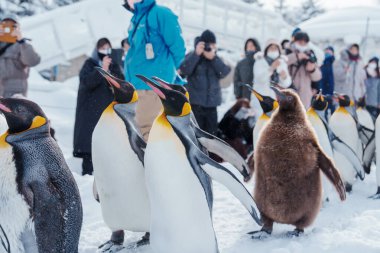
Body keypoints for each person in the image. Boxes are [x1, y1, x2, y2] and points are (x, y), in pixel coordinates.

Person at [123, 0, 186, 141]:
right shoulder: (136, 18)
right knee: (139, 134)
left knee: (149, 134)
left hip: (152, 87)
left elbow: (178, 48)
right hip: (137, 86)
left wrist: (164, 74)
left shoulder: (160, 13)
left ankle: (155, 163)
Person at [73, 38, 124, 176]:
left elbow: (120, 83)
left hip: (106, 113)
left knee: (106, 149)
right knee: (89, 148)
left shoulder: (115, 65)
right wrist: (102, 70)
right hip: (89, 113)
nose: (104, 51)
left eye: (107, 48)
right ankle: (87, 177)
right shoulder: (90, 64)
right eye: (102, 48)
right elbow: (87, 82)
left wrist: (111, 69)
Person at [180, 30, 231, 136]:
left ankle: (210, 153)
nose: (210, 47)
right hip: (195, 104)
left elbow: (224, 72)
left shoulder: (216, 57)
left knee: (211, 136)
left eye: (213, 45)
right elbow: (184, 71)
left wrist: (213, 58)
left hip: (212, 105)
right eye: (208, 44)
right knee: (195, 134)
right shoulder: (193, 55)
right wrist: (196, 54)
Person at [0, 15, 40, 97]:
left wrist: (21, 41)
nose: (8, 29)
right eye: (4, 25)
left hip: (15, 97)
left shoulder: (23, 46)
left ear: (18, 28)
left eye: (12, 26)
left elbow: (33, 61)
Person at [287, 32, 322, 108]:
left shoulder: (310, 54)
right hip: (289, 91)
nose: (302, 44)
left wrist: (312, 70)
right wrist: (296, 57)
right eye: (300, 41)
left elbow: (318, 77)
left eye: (305, 42)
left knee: (303, 116)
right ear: (294, 42)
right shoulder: (288, 51)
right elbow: (282, 63)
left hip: (305, 94)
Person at [320, 46, 336, 114]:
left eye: (329, 52)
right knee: (324, 111)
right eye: (326, 52)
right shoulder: (321, 63)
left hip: (333, 91)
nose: (327, 54)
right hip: (323, 91)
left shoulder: (335, 63)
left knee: (334, 111)